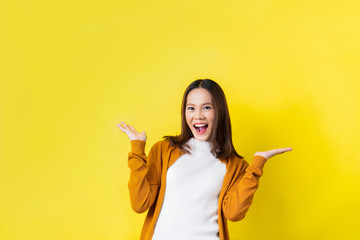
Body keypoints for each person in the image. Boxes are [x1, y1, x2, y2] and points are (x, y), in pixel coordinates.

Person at [117, 79, 292, 240]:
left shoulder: (236, 166)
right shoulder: (164, 150)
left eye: (206, 107)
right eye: (191, 108)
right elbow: (140, 204)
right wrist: (137, 151)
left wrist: (256, 166)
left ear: (219, 111)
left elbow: (234, 214)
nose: (198, 116)